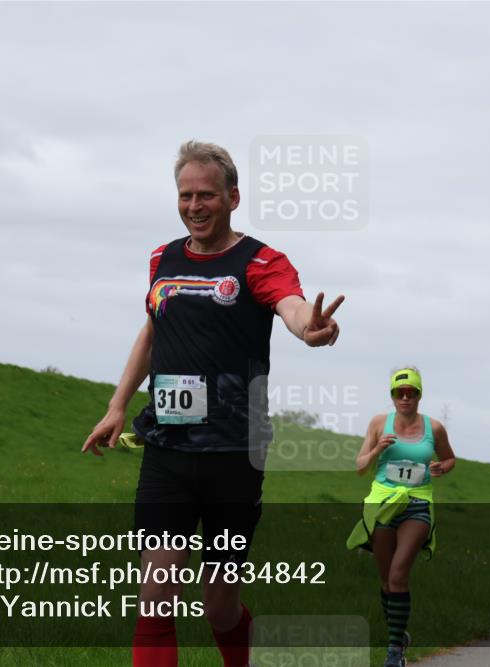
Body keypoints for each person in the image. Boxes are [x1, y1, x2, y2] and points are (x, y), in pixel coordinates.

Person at [81, 141, 344, 667]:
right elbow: (153, 329)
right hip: (167, 449)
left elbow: (290, 306)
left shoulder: (259, 261)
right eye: (185, 195)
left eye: (206, 195)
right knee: (155, 599)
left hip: (233, 457)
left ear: (233, 197)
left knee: (219, 608)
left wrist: (308, 328)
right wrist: (117, 406)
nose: (195, 206)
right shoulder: (163, 258)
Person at [349, 367, 456, 667]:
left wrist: (441, 468)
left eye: (412, 392)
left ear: (420, 395)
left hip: (417, 505)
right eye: (400, 392)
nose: (405, 397)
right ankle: (399, 635)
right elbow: (359, 466)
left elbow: (450, 458)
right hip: (382, 504)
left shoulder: (433, 428)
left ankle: (394, 650)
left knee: (398, 575)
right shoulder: (379, 423)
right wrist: (377, 450)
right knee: (385, 581)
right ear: (392, 396)